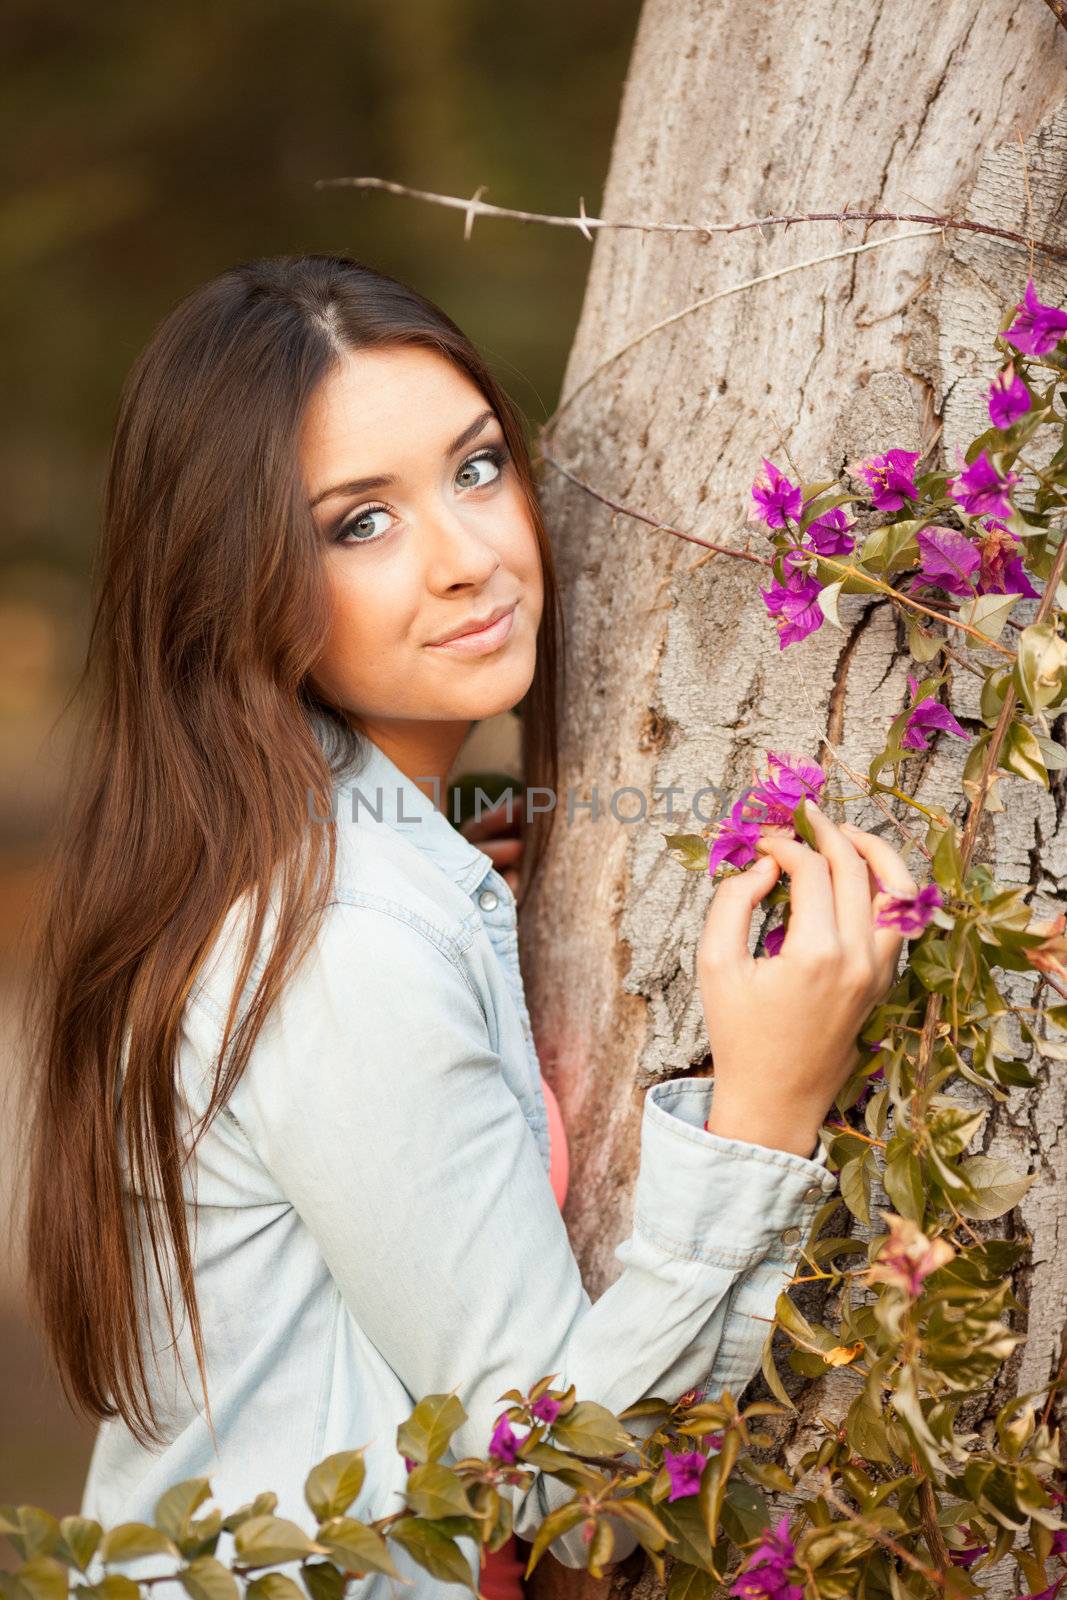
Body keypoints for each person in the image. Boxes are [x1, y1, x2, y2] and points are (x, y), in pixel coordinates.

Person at [20, 255, 918, 1599]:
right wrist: (766, 1113)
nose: (468, 559)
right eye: (358, 525)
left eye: (478, 467)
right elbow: (553, 1468)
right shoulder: (338, 941)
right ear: (232, 582)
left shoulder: (342, 868)